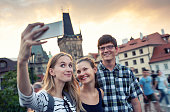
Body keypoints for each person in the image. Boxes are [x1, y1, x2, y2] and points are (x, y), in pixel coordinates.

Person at [17, 22, 84, 112]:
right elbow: (26, 99)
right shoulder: (45, 98)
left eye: (70, 65)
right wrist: (22, 62)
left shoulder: (70, 97)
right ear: (51, 71)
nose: (68, 69)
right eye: (62, 65)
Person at [96, 34, 143, 112]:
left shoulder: (127, 72)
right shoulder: (94, 74)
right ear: (99, 52)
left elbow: (135, 102)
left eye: (109, 47)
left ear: (116, 50)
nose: (106, 50)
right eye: (102, 48)